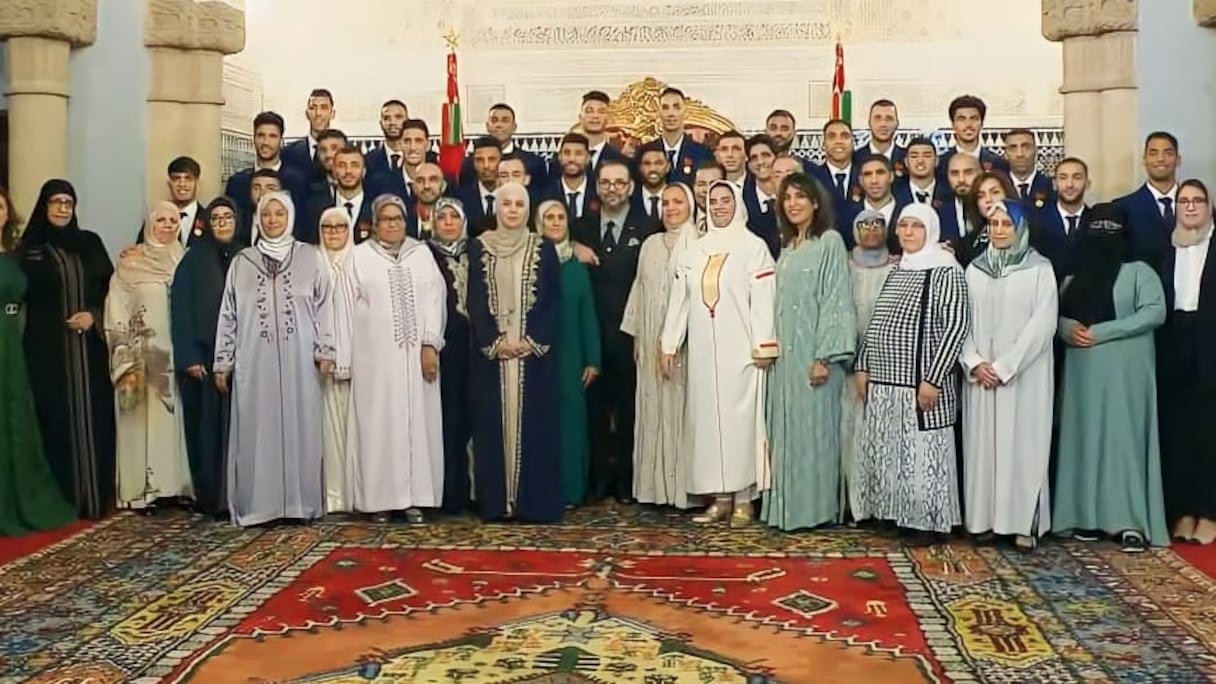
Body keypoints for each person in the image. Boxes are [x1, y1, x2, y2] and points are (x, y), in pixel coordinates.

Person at [660, 180, 778, 527]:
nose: (720, 207)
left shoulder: (753, 247)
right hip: (702, 354)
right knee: (709, 426)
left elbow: (764, 299)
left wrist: (764, 343)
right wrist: (669, 343)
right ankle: (720, 499)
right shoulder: (695, 250)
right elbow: (680, 299)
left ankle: (744, 501)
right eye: (714, 201)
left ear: (737, 203)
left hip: (741, 354)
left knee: (741, 426)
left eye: (726, 200)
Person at [214, 191, 335, 527]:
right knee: (257, 434)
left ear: (290, 217)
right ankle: (259, 507)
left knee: (301, 429)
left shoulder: (310, 257)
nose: (272, 220)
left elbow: (325, 307)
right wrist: (223, 360)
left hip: (301, 363)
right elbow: (229, 314)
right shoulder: (243, 262)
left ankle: (300, 504)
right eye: (266, 214)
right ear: (258, 219)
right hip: (254, 363)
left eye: (279, 214)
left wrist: (326, 349)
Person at [1052, 203, 1168, 552]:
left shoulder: (1139, 271)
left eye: (1111, 227)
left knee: (1123, 444)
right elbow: (1055, 315)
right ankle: (1084, 517)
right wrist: (1067, 328)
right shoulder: (1073, 277)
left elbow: (1155, 312)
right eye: (1097, 227)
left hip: (1125, 372)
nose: (1103, 235)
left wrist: (1103, 332)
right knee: (1083, 442)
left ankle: (1129, 521)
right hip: (1082, 373)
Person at [853, 203, 969, 546]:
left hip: (921, 385)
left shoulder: (946, 270)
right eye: (902, 225)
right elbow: (878, 320)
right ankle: (894, 515)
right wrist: (863, 364)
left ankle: (925, 522)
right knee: (890, 453)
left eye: (916, 226)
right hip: (886, 384)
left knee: (922, 454)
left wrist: (933, 379)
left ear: (930, 230)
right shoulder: (899, 268)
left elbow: (955, 327)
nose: (907, 232)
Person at [335, 194, 447, 523]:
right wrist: (344, 360)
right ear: (374, 224)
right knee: (378, 427)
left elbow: (435, 300)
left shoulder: (421, 254)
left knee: (418, 426)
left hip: (418, 362)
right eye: (386, 219)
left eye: (398, 218)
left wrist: (430, 344)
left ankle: (415, 498)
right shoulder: (359, 257)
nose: (393, 224)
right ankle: (379, 500)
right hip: (375, 363)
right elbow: (343, 309)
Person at [959, 200, 1057, 552]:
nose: (999, 230)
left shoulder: (1039, 269)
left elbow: (1042, 325)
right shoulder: (975, 270)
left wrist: (1004, 367)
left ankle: (1021, 523)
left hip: (1023, 376)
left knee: (1023, 446)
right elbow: (961, 321)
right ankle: (983, 521)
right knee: (983, 448)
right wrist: (974, 362)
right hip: (981, 377)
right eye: (994, 223)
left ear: (1020, 229)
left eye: (1006, 224)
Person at [18, 179, 116, 519]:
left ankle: (95, 498)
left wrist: (94, 316)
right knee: (55, 422)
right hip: (47, 353)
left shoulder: (89, 243)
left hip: (90, 351)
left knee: (95, 420)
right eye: (56, 202)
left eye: (68, 203)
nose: (62, 208)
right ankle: (62, 501)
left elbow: (112, 290)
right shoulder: (29, 250)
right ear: (44, 206)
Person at [764, 173, 856, 531]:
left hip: (816, 357)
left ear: (815, 202)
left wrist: (824, 356)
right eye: (787, 198)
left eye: (800, 197)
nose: (793, 204)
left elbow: (836, 301)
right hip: (785, 358)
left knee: (815, 434)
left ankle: (815, 511)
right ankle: (788, 510)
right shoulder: (788, 247)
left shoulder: (829, 241)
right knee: (788, 432)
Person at [467, 183, 563, 523]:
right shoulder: (480, 247)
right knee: (491, 429)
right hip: (493, 359)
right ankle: (498, 503)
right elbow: (475, 299)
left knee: (535, 431)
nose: (512, 210)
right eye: (506, 204)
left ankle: (531, 504)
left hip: (531, 358)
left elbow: (553, 300)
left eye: (519, 205)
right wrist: (494, 343)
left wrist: (532, 341)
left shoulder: (543, 249)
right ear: (497, 208)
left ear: (527, 209)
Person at [0, 187, 76, 535]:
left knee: (16, 414)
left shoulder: (16, 255)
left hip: (13, 343)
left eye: (1, 207)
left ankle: (22, 496)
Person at [106, 202, 190, 511]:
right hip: (138, 357)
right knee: (138, 422)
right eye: (160, 220)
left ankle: (173, 488)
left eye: (172, 220)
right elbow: (116, 307)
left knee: (171, 422)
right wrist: (121, 350)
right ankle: (140, 493)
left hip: (175, 357)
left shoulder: (185, 260)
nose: (167, 225)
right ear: (149, 224)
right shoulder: (131, 262)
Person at [621, 183, 697, 509]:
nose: (671, 208)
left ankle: (684, 491)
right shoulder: (650, 244)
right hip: (650, 338)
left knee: (682, 412)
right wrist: (638, 337)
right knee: (652, 410)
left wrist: (677, 339)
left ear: (690, 206)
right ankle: (653, 490)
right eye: (665, 203)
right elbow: (639, 290)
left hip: (686, 343)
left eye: (678, 202)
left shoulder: (699, 243)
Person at [171, 197, 245, 518]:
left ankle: (242, 494)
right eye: (216, 218)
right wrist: (189, 356)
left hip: (244, 360)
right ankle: (213, 498)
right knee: (208, 432)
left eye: (228, 217)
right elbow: (181, 308)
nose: (223, 223)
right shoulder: (193, 259)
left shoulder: (247, 255)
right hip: (204, 358)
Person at [1158, 179, 1216, 544]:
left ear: (1209, 207)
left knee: (1208, 432)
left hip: (1209, 343)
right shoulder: (1166, 248)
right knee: (1177, 431)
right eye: (1184, 201)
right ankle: (1181, 512)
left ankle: (1209, 513)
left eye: (1198, 201)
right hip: (1174, 343)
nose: (1191, 206)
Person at [537, 198, 601, 508]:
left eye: (560, 217)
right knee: (541, 421)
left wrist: (593, 359)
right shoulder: (530, 262)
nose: (555, 222)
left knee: (572, 420)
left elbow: (588, 314)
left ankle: (572, 490)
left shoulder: (576, 267)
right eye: (548, 217)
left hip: (571, 352)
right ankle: (543, 489)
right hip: (537, 353)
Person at [841, 210, 895, 520]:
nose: (871, 230)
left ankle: (882, 505)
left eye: (878, 224)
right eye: (864, 224)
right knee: (851, 435)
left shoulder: (898, 267)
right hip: (849, 367)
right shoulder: (845, 266)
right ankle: (855, 505)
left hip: (886, 366)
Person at [427, 198, 474, 514]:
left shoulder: (478, 251)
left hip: (477, 349)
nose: (447, 222)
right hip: (444, 348)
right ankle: (446, 493)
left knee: (473, 420)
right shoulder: (424, 254)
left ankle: (473, 492)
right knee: (445, 419)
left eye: (453, 217)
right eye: (441, 217)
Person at [317, 207, 355, 514]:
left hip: (358, 357)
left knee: (356, 428)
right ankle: (333, 496)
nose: (333, 232)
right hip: (321, 362)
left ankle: (356, 493)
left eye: (340, 226)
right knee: (327, 431)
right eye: (327, 227)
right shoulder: (312, 262)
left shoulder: (360, 261)